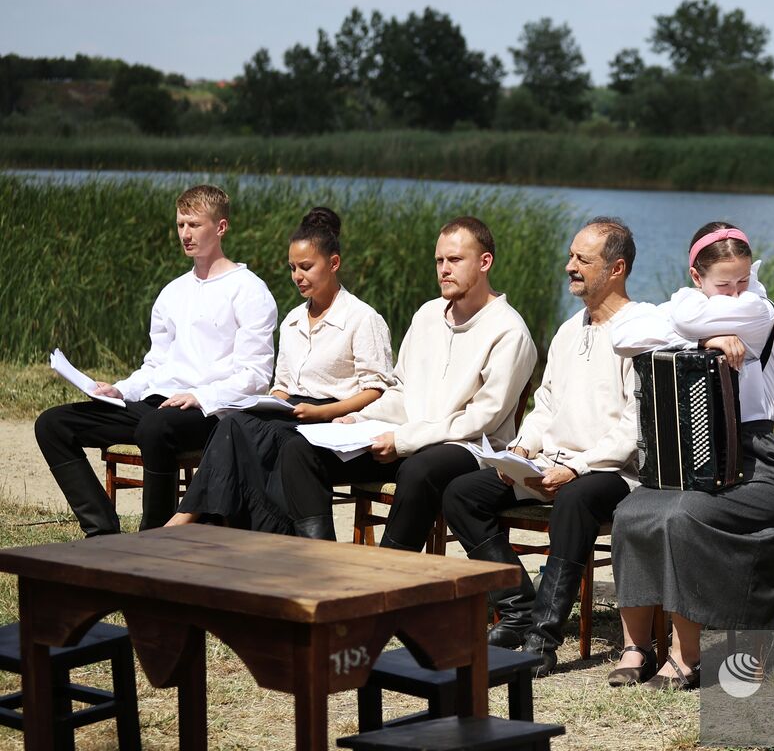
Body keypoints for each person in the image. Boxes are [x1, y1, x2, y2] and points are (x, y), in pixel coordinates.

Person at [443, 218, 640, 677]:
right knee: (462, 494)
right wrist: (524, 448)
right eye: (571, 256)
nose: (569, 266)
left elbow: (634, 429)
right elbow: (546, 403)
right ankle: (516, 606)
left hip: (611, 473)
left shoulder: (640, 332)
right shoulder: (569, 331)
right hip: (551, 464)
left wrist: (577, 468)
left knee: (574, 500)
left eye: (582, 260)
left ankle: (543, 638)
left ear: (617, 269)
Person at [606, 222, 774, 689]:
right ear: (696, 276)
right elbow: (622, 333)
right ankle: (637, 647)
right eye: (723, 284)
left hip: (758, 464)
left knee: (682, 517)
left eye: (742, 281)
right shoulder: (696, 306)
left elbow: (687, 321)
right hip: (691, 459)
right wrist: (700, 342)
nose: (735, 294)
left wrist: (692, 325)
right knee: (632, 511)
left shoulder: (759, 310)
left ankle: (684, 655)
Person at [274, 216, 536, 545]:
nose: (444, 269)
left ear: (485, 262)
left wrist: (401, 441)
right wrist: (359, 419)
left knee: (419, 470)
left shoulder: (509, 331)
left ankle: (389, 579)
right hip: (403, 441)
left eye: (455, 260)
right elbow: (401, 390)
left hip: (468, 449)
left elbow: (483, 419)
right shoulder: (427, 314)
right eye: (439, 260)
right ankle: (320, 563)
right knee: (300, 449)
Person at [35, 184, 277, 535]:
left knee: (155, 427)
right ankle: (101, 531)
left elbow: (256, 375)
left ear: (221, 227)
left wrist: (201, 396)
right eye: (180, 224)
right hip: (156, 405)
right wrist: (119, 390)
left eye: (194, 225)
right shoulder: (172, 292)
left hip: (210, 411)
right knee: (52, 424)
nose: (185, 234)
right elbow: (155, 365)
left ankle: (156, 536)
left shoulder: (249, 290)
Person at [165, 207, 395, 533]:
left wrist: (322, 412)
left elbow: (377, 390)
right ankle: (222, 524)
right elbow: (283, 385)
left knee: (246, 434)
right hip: (294, 410)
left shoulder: (362, 318)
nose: (297, 276)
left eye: (306, 267)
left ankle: (193, 519)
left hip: (337, 417)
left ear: (333, 264)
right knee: (236, 423)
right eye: (292, 268)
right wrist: (270, 402)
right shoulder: (293, 320)